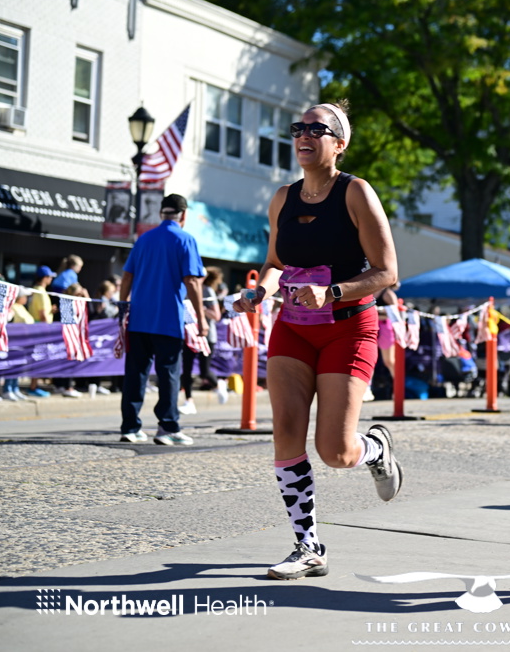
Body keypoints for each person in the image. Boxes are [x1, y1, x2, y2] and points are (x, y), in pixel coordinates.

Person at [234, 101, 401, 581]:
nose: (304, 135)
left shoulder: (356, 192)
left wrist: (332, 291)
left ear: (339, 143)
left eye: (317, 129)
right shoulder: (283, 198)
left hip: (348, 327)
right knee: (286, 429)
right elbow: (274, 263)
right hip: (293, 327)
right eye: (299, 128)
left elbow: (387, 272)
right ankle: (308, 546)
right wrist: (259, 292)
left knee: (335, 451)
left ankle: (374, 449)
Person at [119, 193, 208, 446]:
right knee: (168, 374)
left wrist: (123, 307)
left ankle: (130, 427)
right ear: (184, 215)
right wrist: (201, 319)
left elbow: (127, 276)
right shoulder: (185, 239)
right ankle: (167, 427)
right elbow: (192, 281)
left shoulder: (144, 239)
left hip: (139, 318)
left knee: (135, 373)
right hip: (168, 319)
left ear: (161, 213)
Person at [179, 266, 224, 414]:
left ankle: (218, 385)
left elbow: (216, 316)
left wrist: (199, 308)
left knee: (204, 372)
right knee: (186, 370)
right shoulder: (186, 289)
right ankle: (189, 401)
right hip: (189, 334)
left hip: (207, 336)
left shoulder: (208, 291)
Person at [26, 266, 56, 397]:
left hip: (35, 328)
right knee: (38, 358)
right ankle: (33, 387)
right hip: (41, 330)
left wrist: (50, 312)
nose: (51, 279)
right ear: (44, 278)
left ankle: (34, 386)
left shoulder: (35, 290)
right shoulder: (41, 292)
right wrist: (47, 331)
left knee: (36, 358)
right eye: (50, 277)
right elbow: (42, 315)